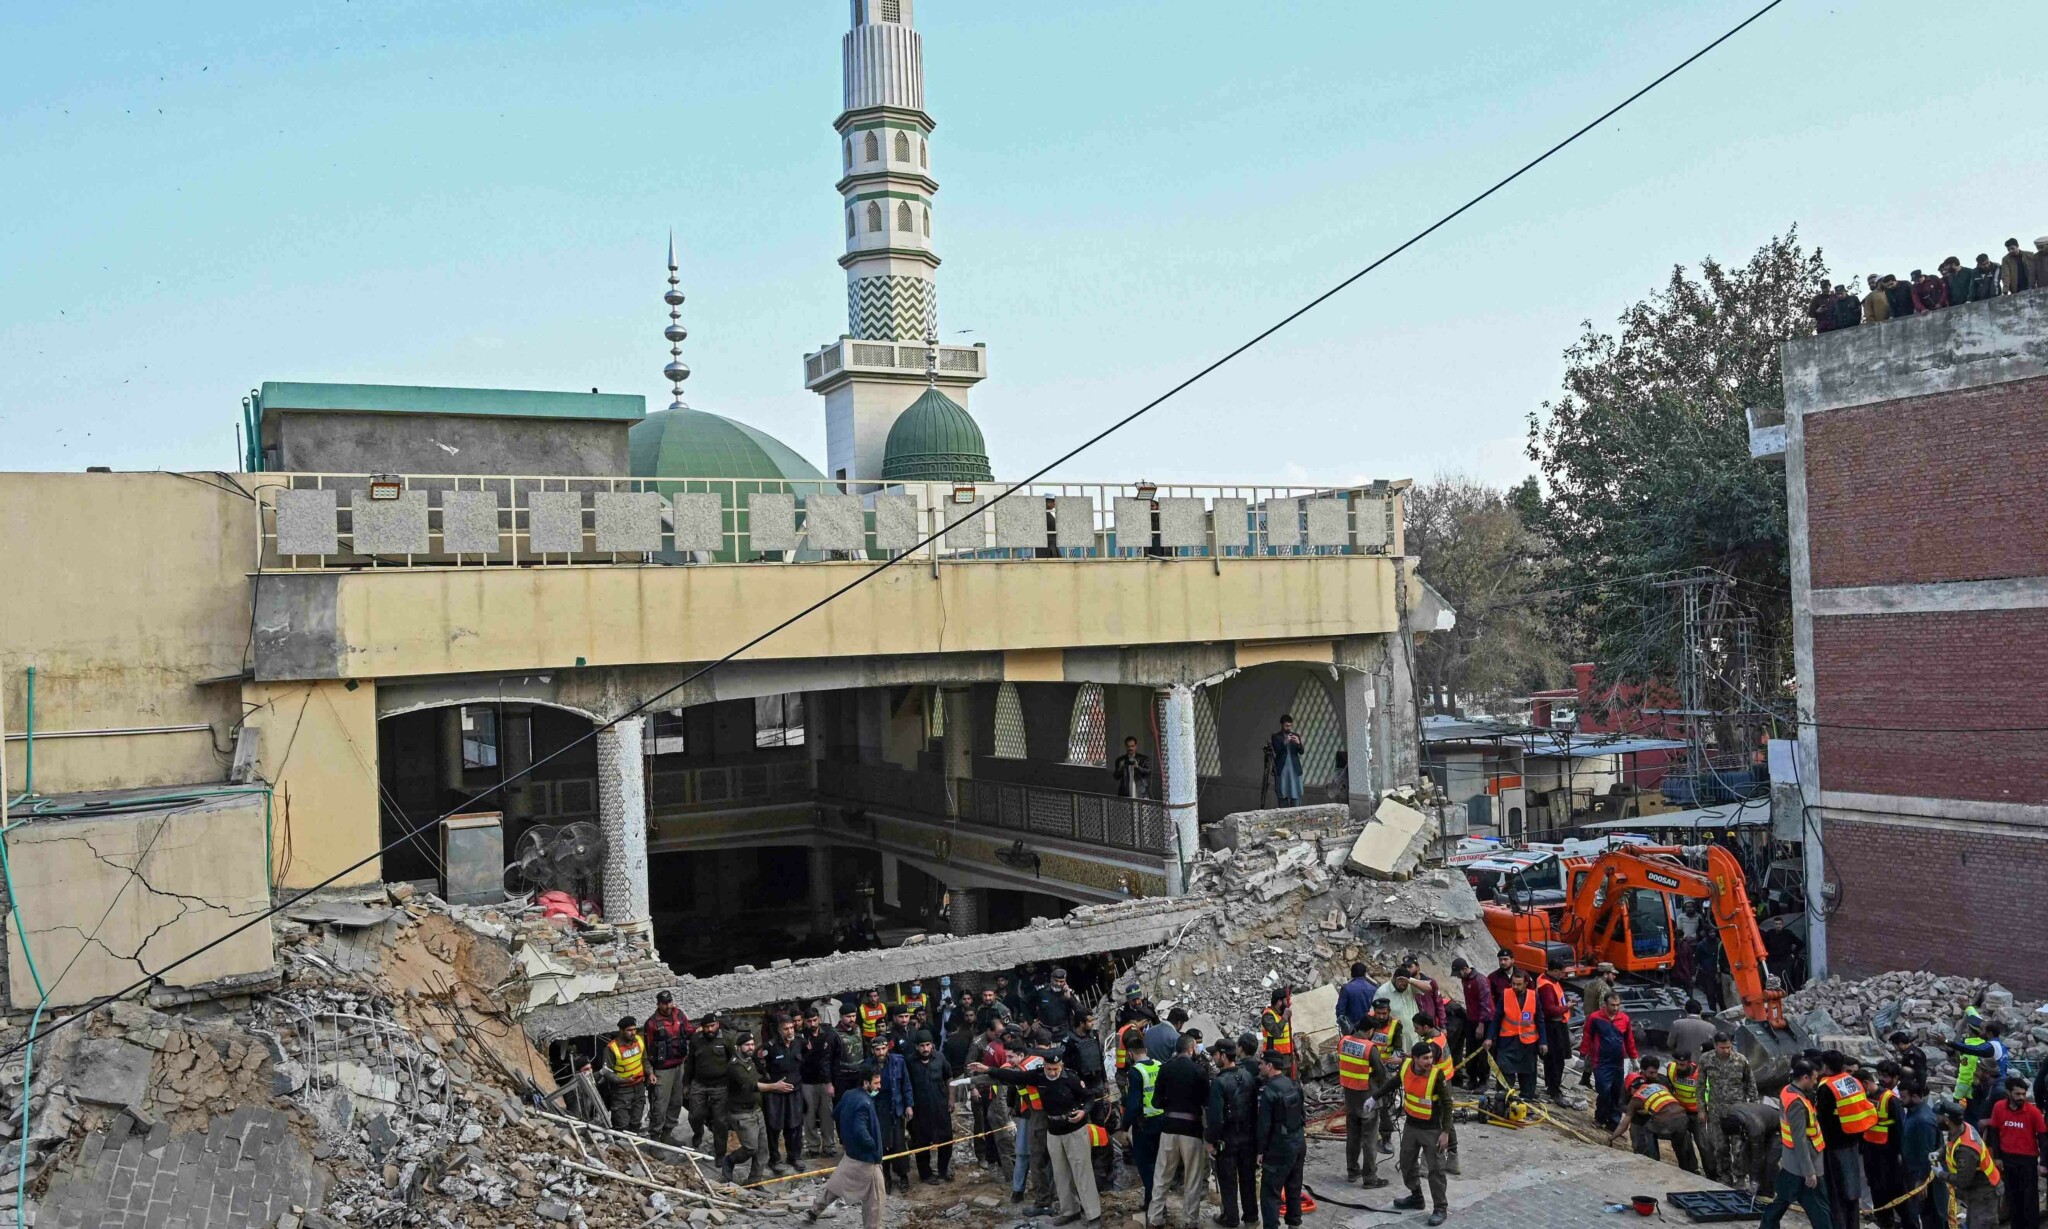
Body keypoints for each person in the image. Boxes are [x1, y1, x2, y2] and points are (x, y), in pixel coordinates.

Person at [977, 1049, 1101, 1228]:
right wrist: (988, 1069)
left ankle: (1093, 1215)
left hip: (1074, 1130)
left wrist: (1084, 1112)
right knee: (1060, 1174)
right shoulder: (1039, 1077)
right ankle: (1070, 1211)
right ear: (1044, 1066)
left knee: (1082, 1172)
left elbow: (1089, 1097)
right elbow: (1014, 1077)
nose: (1052, 1073)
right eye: (1049, 1069)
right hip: (1054, 1131)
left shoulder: (1071, 1078)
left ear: (1061, 1066)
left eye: (1055, 1069)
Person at [806, 1064, 886, 1229]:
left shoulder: (849, 1094)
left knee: (836, 1185)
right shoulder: (865, 1102)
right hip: (867, 1160)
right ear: (866, 1083)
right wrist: (872, 1145)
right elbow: (860, 1130)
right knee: (876, 1200)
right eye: (876, 1083)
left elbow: (835, 1113)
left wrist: (847, 1136)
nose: (879, 1086)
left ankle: (815, 1210)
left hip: (850, 1155)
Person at [1759, 1059, 1833, 1229]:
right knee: (1819, 1208)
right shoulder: (1797, 1104)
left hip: (1791, 1162)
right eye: (1814, 1078)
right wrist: (1809, 1171)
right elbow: (1800, 1139)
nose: (1815, 1082)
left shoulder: (1787, 1091)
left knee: (1782, 1200)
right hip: (1805, 1164)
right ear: (1805, 1078)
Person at [1148, 1034, 1210, 1229]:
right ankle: (1190, 1221)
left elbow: (1156, 1102)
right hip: (1192, 1130)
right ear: (1191, 1049)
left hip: (1169, 1128)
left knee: (1162, 1175)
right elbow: (1206, 1101)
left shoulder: (1165, 1069)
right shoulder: (1199, 1070)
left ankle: (1155, 1218)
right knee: (1192, 1177)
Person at [1391, 1041, 1452, 1227]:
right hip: (1411, 1126)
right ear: (1415, 1059)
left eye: (1431, 1057)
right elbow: (1393, 1083)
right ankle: (1417, 1197)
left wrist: (1445, 1132)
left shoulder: (1436, 1075)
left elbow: (1447, 1104)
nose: (1429, 1061)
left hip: (1432, 1130)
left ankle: (1440, 1208)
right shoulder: (1405, 1068)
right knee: (1407, 1163)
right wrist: (1373, 1098)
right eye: (1425, 1058)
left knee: (1436, 1170)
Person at [723, 1031, 794, 1186]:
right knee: (750, 1148)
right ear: (738, 1047)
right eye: (747, 1045)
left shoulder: (749, 1060)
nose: (750, 1047)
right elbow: (751, 1085)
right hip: (741, 1113)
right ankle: (730, 1160)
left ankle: (754, 1182)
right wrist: (774, 1086)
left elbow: (758, 1077)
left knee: (762, 1150)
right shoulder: (735, 1065)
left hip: (755, 1110)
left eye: (752, 1044)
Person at [1336, 1016, 1396, 1189]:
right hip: (1367, 1097)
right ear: (1370, 1031)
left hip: (1350, 1095)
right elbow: (1381, 1073)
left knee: (1352, 1136)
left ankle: (1352, 1171)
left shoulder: (1344, 1042)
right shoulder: (1369, 1047)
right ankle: (1370, 1178)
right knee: (1369, 1139)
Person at [1814, 1051, 1873, 1229]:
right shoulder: (1853, 1081)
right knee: (1852, 1189)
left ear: (1825, 1066)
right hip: (1853, 1141)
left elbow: (1822, 1118)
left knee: (1836, 1191)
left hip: (1834, 1145)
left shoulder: (1826, 1087)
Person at [1208, 1040, 1261, 1225]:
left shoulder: (1219, 1083)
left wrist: (1211, 1140)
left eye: (1215, 1054)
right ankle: (1251, 1217)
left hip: (1228, 1139)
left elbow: (1216, 1117)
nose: (1214, 1058)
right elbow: (1254, 1109)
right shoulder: (1247, 1076)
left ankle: (1230, 1217)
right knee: (1248, 1179)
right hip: (1248, 1137)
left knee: (1228, 1180)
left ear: (1223, 1056)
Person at [1256, 1050, 1308, 1229]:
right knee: (1294, 1186)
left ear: (1270, 1065)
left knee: (1270, 1193)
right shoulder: (1293, 1084)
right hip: (1298, 1142)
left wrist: (1260, 1151)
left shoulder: (1269, 1091)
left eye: (1262, 1064)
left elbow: (1264, 1125)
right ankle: (1294, 1224)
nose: (1260, 1067)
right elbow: (1302, 1114)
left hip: (1279, 1147)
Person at [1699, 1031, 1759, 1183]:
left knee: (1738, 1148)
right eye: (1722, 1048)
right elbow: (1700, 1086)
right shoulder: (1706, 1060)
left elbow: (1751, 1085)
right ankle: (1724, 1177)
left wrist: (1753, 1110)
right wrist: (1701, 1109)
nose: (1726, 1051)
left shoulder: (1741, 1060)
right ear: (1715, 1045)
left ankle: (1740, 1178)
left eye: (1729, 1047)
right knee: (1720, 1147)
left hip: (1737, 1112)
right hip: (1716, 1112)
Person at [1985, 1076, 2044, 1229]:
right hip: (2008, 1159)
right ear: (2009, 1093)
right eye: (2017, 1094)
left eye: (2023, 1094)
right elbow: (1994, 1132)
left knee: (2030, 1200)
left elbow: (2043, 1137)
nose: (2021, 1097)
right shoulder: (1999, 1108)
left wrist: (2044, 1163)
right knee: (2012, 1198)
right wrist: (1997, 1157)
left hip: (2028, 1161)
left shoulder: (2033, 1112)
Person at [1611, 1070, 1700, 1172]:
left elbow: (1623, 1125)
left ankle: (1651, 1161)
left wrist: (1611, 1138)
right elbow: (1664, 1104)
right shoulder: (1660, 1086)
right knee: (1683, 1135)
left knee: (1645, 1130)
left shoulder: (1636, 1098)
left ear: (1631, 1088)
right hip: (1683, 1118)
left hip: (1667, 1123)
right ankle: (1690, 1168)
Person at [1937, 1097, 2001, 1229]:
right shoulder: (1963, 1127)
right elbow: (1951, 1143)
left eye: (1939, 1116)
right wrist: (1939, 1153)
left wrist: (1941, 1174)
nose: (1936, 1119)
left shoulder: (1966, 1150)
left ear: (1948, 1120)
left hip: (1985, 1195)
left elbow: (1963, 1181)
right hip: (1977, 1192)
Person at [904, 1030, 954, 1185]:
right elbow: (905, 1085)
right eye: (922, 1046)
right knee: (921, 1142)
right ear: (916, 1047)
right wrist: (908, 1105)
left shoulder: (940, 1058)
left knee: (946, 1139)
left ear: (932, 1045)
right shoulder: (909, 1062)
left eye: (928, 1045)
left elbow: (949, 1077)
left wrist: (951, 1099)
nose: (925, 1049)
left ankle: (943, 1170)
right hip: (919, 1110)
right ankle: (925, 1174)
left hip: (940, 1107)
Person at [1581, 992, 1637, 1129]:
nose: (1616, 1008)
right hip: (1601, 1062)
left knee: (1617, 1092)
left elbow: (1629, 1040)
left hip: (1618, 1062)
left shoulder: (1624, 1019)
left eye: (1618, 1005)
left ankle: (1613, 1122)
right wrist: (1583, 1055)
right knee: (1604, 1090)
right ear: (1605, 1004)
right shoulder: (1595, 1018)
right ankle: (1600, 1117)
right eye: (1613, 1005)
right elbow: (1587, 1036)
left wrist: (1634, 1059)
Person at [762, 1016, 807, 1176]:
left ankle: (794, 1156)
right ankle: (775, 1160)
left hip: (795, 1091)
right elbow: (759, 1065)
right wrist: (771, 1083)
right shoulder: (770, 1047)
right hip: (776, 1093)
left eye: (792, 1028)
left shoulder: (799, 1042)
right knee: (774, 1127)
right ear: (779, 1030)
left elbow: (805, 1059)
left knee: (795, 1125)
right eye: (786, 1029)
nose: (790, 1031)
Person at [1489, 965, 1542, 1101]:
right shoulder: (1505, 995)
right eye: (1513, 984)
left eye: (1518, 984)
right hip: (1508, 1041)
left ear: (1525, 984)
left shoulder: (1533, 996)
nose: (1515, 987)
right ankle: (1503, 1097)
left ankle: (1527, 1097)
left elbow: (1539, 1020)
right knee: (1505, 1070)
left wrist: (1543, 1042)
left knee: (1528, 1072)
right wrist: (1490, 1037)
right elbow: (1497, 1018)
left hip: (1528, 1042)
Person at [645, 991, 693, 1142]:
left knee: (676, 1103)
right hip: (662, 1070)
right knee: (660, 1106)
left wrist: (700, 1030)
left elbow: (689, 1031)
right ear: (658, 1004)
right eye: (665, 1003)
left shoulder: (679, 1015)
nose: (668, 1006)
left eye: (670, 1002)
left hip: (680, 1066)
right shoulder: (652, 1023)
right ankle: (654, 1139)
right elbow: (647, 1050)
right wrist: (650, 1072)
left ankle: (667, 1135)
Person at [687, 1013, 739, 1152]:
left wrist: (734, 1086)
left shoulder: (727, 1039)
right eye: (706, 1027)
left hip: (720, 1086)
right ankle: (698, 1132)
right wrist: (686, 1084)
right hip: (699, 1084)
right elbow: (690, 1063)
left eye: (712, 1026)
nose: (710, 1029)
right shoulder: (696, 1039)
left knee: (720, 1121)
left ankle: (720, 1153)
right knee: (695, 1116)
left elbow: (735, 1063)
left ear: (717, 1025)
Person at [967, 1017, 1012, 1174]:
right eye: (998, 1033)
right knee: (981, 1123)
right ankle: (982, 1156)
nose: (1001, 1035)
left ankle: (993, 1157)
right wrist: (972, 1088)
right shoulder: (978, 1044)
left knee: (991, 1123)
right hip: (981, 1088)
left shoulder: (996, 1044)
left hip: (992, 1089)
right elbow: (969, 1066)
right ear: (989, 1031)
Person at [1124, 1033, 1165, 1206]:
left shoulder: (1135, 1072)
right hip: (1162, 1121)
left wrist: (1124, 1126)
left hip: (1144, 1124)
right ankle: (1154, 1202)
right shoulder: (1159, 1065)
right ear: (1145, 1050)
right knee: (1159, 1165)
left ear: (1130, 1053)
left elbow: (1133, 1103)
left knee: (1146, 1167)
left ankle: (1154, 1206)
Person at [1860, 1061, 1902, 1227]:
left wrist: (1899, 1153)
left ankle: (1892, 1221)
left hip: (1887, 1152)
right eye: (1880, 1076)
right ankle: (1883, 1221)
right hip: (1870, 1150)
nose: (1882, 1079)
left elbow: (1900, 1127)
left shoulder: (1890, 1099)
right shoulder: (1866, 1097)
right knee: (1874, 1187)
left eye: (1885, 1076)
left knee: (1888, 1188)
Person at [1946, 1012, 2007, 1126]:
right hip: (1996, 1083)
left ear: (1989, 1033)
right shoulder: (2001, 1045)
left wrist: (1948, 1042)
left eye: (1983, 1030)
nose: (1980, 1032)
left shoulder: (1990, 1047)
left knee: (1978, 1118)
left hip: (1987, 1087)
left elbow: (1971, 1050)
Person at [870, 1036, 913, 1193]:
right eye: (877, 1049)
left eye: (883, 1048)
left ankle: (903, 1176)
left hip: (896, 1109)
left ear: (888, 1048)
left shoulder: (898, 1062)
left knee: (899, 1145)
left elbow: (906, 1084)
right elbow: (865, 1090)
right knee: (882, 1146)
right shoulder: (867, 1066)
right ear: (872, 1051)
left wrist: (909, 1105)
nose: (881, 1052)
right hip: (878, 1111)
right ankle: (885, 1177)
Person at [797, 1008, 843, 1157]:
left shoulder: (829, 1034)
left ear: (819, 1019)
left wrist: (832, 1081)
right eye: (809, 1021)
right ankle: (813, 1147)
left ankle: (829, 1146)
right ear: (805, 1021)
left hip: (825, 1081)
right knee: (809, 1116)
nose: (812, 1023)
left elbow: (836, 1057)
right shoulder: (801, 1037)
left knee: (827, 1116)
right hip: (807, 1082)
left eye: (814, 1020)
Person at [1894, 1078, 1938, 1229]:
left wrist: (1922, 1180)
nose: (1900, 1100)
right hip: (1911, 1169)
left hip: (1920, 1174)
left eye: (1903, 1097)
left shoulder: (1923, 1120)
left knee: (1926, 1212)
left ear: (1914, 1097)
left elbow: (1928, 1153)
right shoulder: (1913, 1113)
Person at [601, 1016, 651, 1134]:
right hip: (621, 1091)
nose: (633, 1033)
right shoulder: (611, 1048)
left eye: (634, 1029)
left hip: (639, 1087)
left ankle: (633, 1143)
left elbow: (645, 1060)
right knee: (621, 1125)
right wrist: (624, 1080)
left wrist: (650, 1073)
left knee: (636, 1122)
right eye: (629, 1030)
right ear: (621, 1030)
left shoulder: (639, 1040)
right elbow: (606, 1072)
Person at [1451, 957, 1495, 1091]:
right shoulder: (1465, 980)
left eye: (1459, 973)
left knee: (1483, 1053)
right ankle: (1472, 1079)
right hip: (1471, 1019)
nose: (1458, 976)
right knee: (1471, 1050)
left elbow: (1485, 1003)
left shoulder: (1480, 980)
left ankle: (1483, 1081)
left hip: (1483, 1021)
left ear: (1465, 969)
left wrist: (1481, 1024)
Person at [1536, 958, 1574, 1107]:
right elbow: (1550, 1010)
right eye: (1562, 972)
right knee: (1556, 1060)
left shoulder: (1549, 980)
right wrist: (1567, 1007)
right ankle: (1554, 1089)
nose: (1563, 975)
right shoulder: (1546, 986)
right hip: (1553, 1027)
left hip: (1556, 1025)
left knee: (1552, 1059)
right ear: (1555, 971)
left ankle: (1551, 1086)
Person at [1667, 1057, 1710, 1174]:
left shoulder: (1700, 1074)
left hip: (1698, 1114)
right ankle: (1689, 1170)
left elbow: (1708, 1093)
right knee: (1681, 1143)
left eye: (1682, 1064)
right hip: (1681, 1112)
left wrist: (1704, 1111)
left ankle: (1712, 1174)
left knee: (1704, 1144)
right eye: (1677, 1064)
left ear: (1689, 1063)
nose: (1679, 1067)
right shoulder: (1671, 1068)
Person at [1036, 968, 1083, 1038]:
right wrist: (1031, 1021)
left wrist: (1069, 998)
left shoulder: (1069, 993)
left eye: (1061, 981)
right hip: (1045, 1032)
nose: (1058, 984)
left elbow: (1080, 1010)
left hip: (1064, 1032)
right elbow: (1027, 1003)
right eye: (1056, 981)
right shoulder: (1042, 991)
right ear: (1051, 979)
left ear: (1065, 981)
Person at [1269, 716, 1305, 807]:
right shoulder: (1276, 737)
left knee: (1295, 793)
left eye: (1290, 726)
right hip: (1282, 769)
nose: (1288, 728)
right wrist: (1284, 742)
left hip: (1294, 769)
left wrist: (1298, 743)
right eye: (1286, 726)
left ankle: (1296, 812)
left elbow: (1301, 752)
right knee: (1282, 793)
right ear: (1282, 725)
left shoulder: (1295, 735)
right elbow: (1277, 751)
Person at [1336, 962, 1377, 1036]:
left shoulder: (1346, 988)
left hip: (1351, 1028)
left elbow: (1340, 1010)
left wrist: (1343, 1026)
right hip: (1368, 1029)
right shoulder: (1374, 989)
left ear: (1351, 974)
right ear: (1365, 974)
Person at [1260, 989, 1294, 1075]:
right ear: (1279, 1002)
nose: (1289, 1003)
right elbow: (1276, 1033)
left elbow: (1288, 1035)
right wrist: (1285, 1017)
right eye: (1287, 1000)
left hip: (1287, 1058)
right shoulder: (1268, 1016)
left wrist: (1296, 1051)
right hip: (1275, 1059)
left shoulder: (1281, 1015)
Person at [1485, 950, 1515, 1016]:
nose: (1502, 962)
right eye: (1500, 960)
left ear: (1512, 960)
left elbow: (1531, 995)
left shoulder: (1523, 976)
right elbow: (1487, 997)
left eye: (1505, 959)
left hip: (1518, 1013)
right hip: (1499, 1014)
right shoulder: (1492, 977)